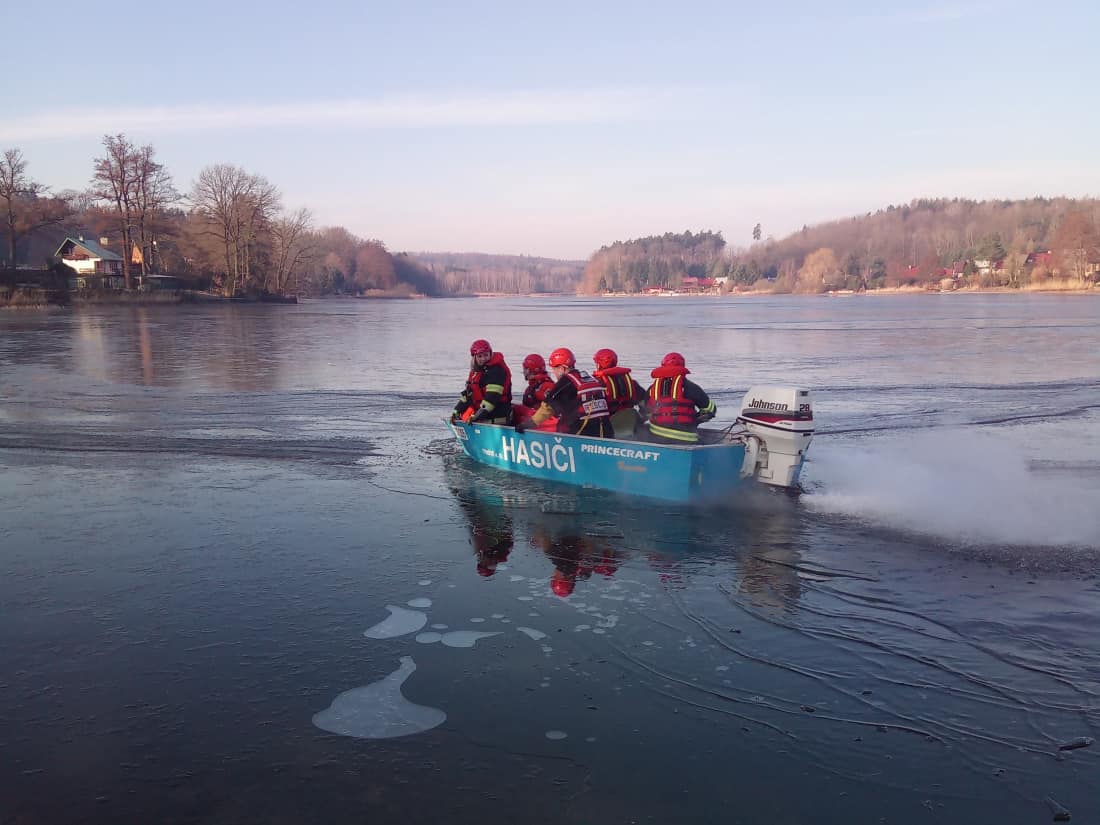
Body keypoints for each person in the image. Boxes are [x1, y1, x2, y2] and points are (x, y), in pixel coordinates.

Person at [516, 347, 613, 438]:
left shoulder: (567, 381)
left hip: (583, 434)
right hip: (606, 432)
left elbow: (548, 407)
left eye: (554, 368)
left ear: (562, 368)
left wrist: (529, 424)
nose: (553, 372)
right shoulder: (590, 378)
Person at [643, 352, 716, 444]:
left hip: (656, 437)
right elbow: (711, 409)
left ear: (663, 365)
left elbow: (645, 411)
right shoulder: (690, 387)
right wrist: (695, 420)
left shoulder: (652, 389)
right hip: (686, 438)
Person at [452, 339, 513, 424]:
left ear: (490, 354)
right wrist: (456, 411)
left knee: (470, 418)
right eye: (480, 356)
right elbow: (468, 395)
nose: (483, 358)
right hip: (483, 414)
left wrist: (476, 416)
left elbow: (492, 397)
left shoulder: (496, 371)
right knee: (462, 417)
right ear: (474, 357)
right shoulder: (475, 373)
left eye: (486, 355)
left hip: (497, 415)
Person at [592, 348, 646, 437]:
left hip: (610, 427)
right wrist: (641, 419)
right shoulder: (631, 383)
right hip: (630, 424)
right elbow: (645, 404)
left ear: (599, 364)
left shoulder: (596, 384)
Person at [514, 353, 559, 431]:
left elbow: (554, 407)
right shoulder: (534, 386)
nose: (524, 372)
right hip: (535, 423)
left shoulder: (544, 387)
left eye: (526, 369)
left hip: (542, 426)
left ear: (531, 370)